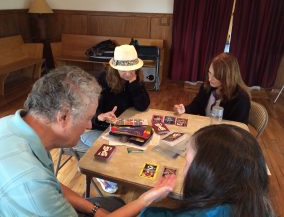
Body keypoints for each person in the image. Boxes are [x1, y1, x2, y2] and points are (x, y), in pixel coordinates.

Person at [0, 66, 128, 217]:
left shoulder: (8, 123)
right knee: (118, 205)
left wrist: (94, 210)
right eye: (87, 118)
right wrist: (144, 200)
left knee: (114, 204)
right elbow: (38, 186)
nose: (88, 125)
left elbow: (51, 184)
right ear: (63, 116)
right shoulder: (30, 183)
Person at [139, 124, 276, 217]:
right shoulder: (255, 203)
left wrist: (143, 201)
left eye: (187, 162)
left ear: (209, 176)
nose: (183, 167)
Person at [74, 44, 150, 193]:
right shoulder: (100, 80)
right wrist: (100, 116)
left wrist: (134, 83)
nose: (129, 73)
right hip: (94, 127)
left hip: (119, 125)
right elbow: (83, 112)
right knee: (113, 150)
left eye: (132, 69)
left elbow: (142, 105)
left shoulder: (134, 77)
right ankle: (101, 173)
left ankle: (118, 169)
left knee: (140, 144)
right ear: (115, 68)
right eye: (124, 70)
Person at [174, 53, 251, 124]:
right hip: (206, 129)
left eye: (216, 76)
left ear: (227, 77)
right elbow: (197, 105)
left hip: (224, 136)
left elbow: (238, 130)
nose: (210, 79)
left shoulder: (241, 99)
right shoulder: (207, 86)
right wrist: (185, 109)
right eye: (210, 73)